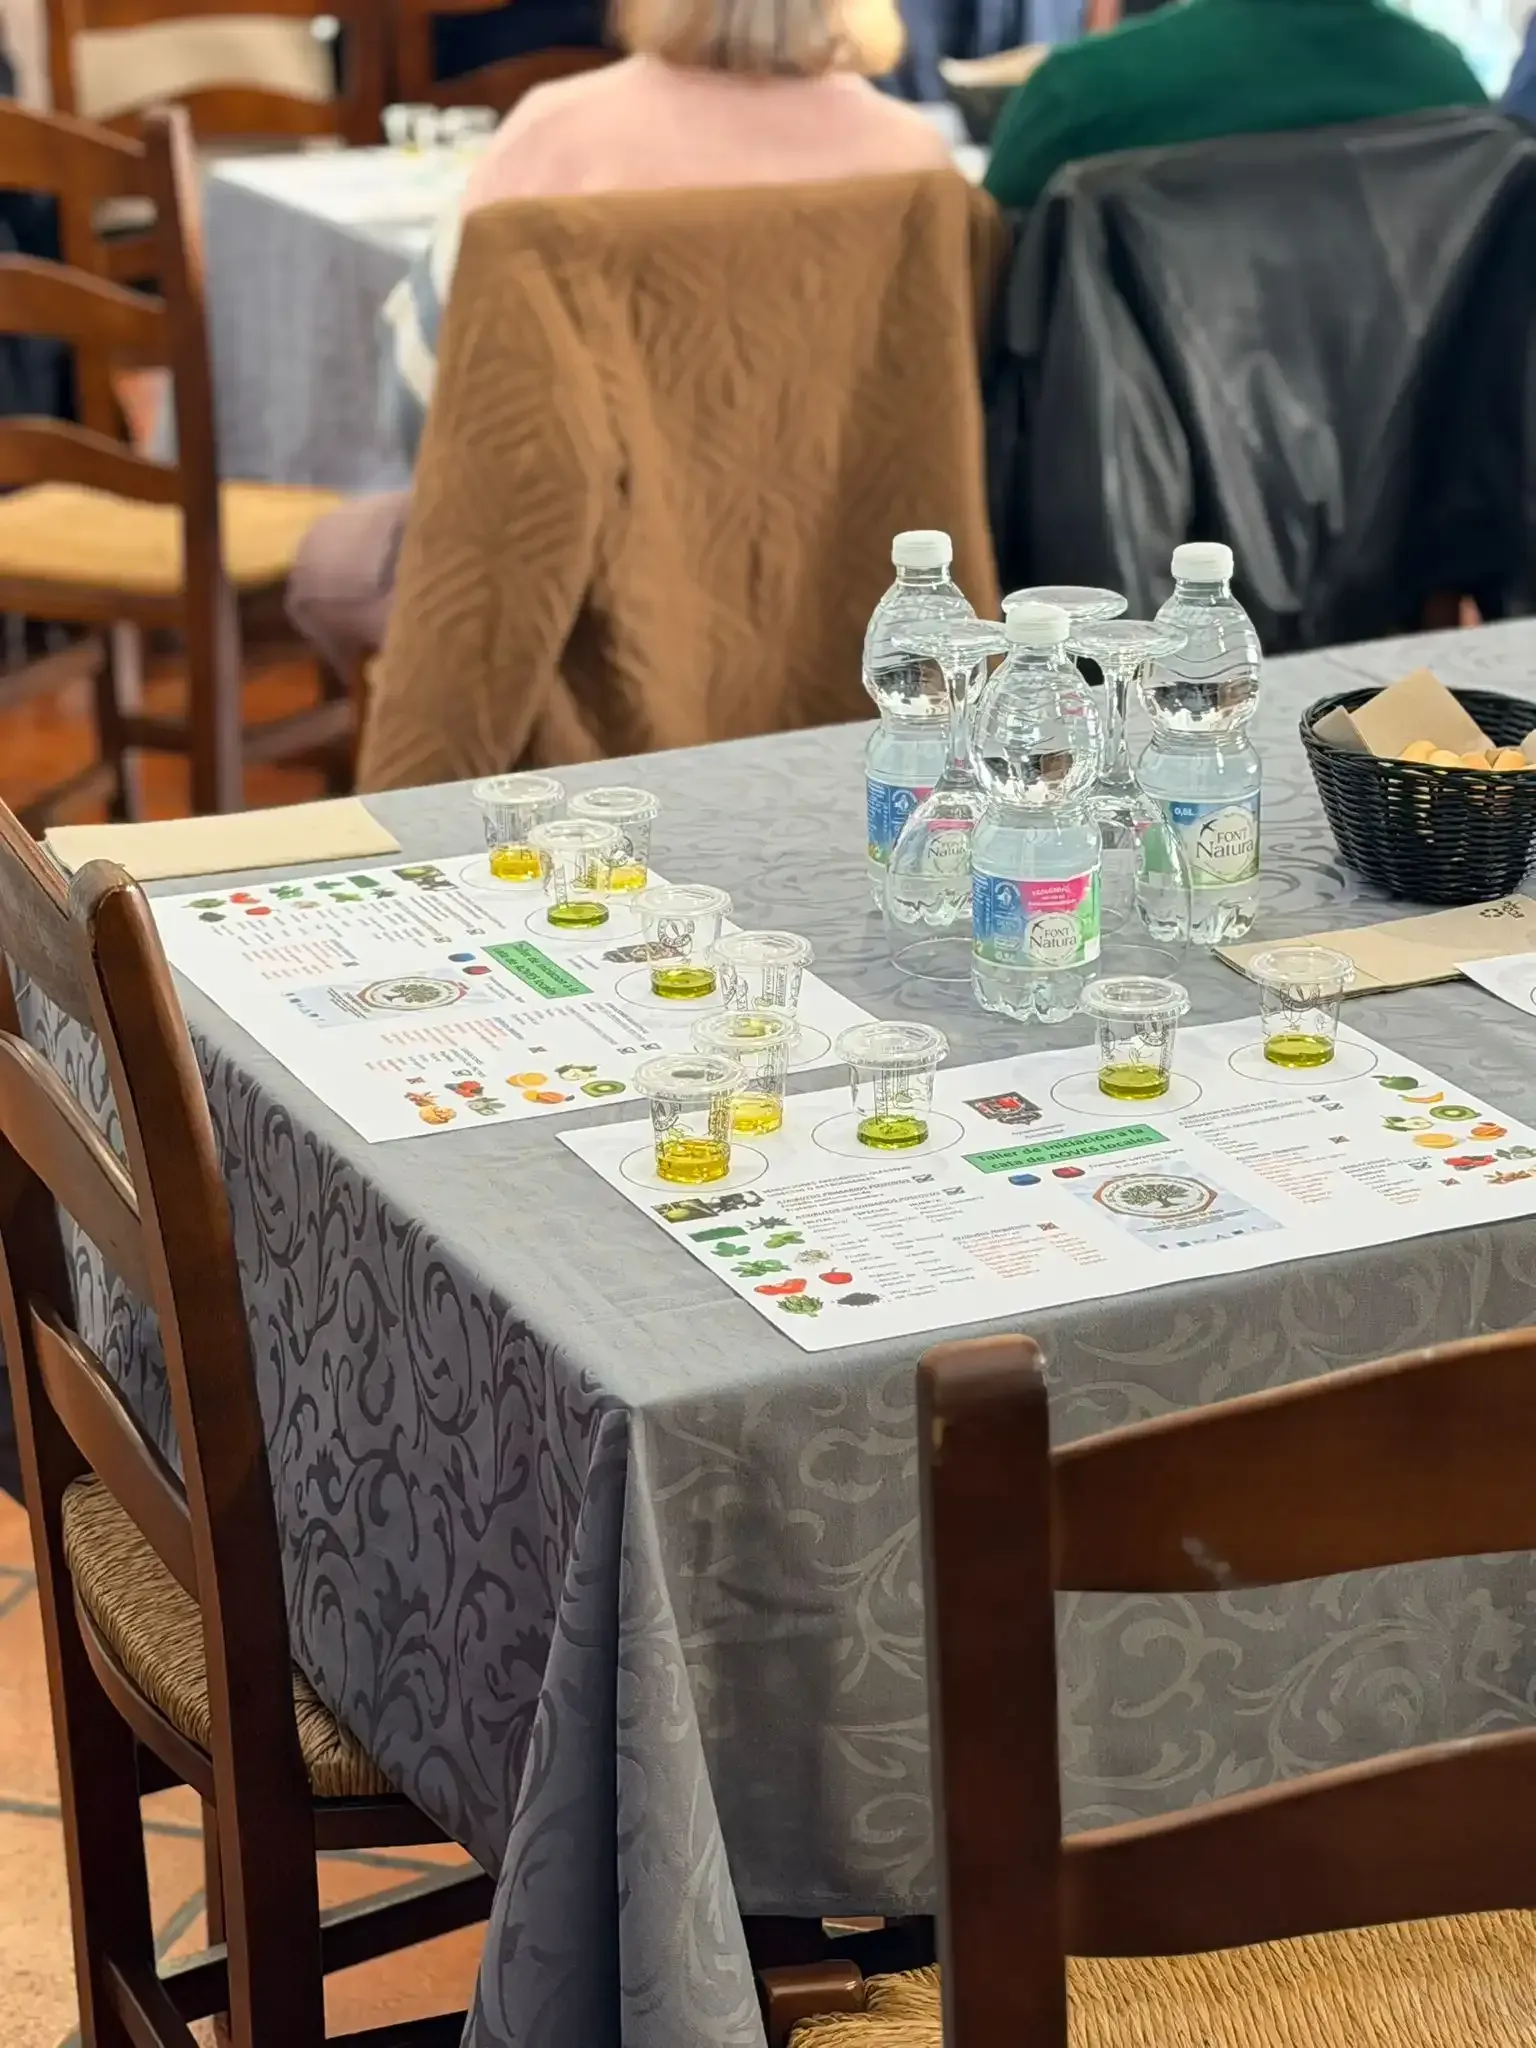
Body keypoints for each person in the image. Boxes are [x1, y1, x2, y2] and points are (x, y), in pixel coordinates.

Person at [286, 0, 951, 673]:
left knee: (333, 557)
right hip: (841, 591)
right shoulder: (917, 158)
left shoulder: (558, 131)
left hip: (581, 598)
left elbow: (426, 394)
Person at [983, 0, 1488, 212]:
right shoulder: (1454, 93)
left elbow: (968, 322)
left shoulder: (1075, 95)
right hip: (1409, 412)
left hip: (1114, 411)